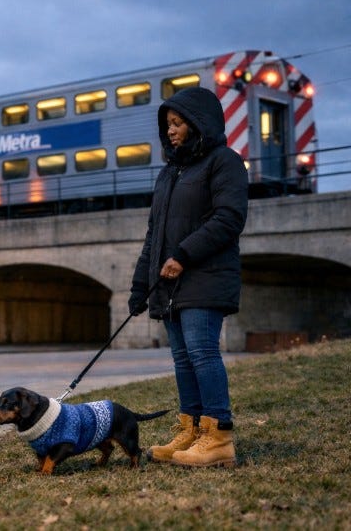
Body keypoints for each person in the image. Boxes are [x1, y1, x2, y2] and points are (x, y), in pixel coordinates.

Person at [128, 86, 248, 468]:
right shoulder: (169, 174)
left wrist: (183, 254)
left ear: (199, 123)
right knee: (182, 359)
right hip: (171, 284)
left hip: (205, 276)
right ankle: (193, 428)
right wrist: (139, 286)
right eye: (168, 125)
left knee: (202, 353)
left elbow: (229, 218)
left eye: (178, 123)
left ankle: (219, 436)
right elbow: (155, 236)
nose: (171, 131)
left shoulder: (223, 161)